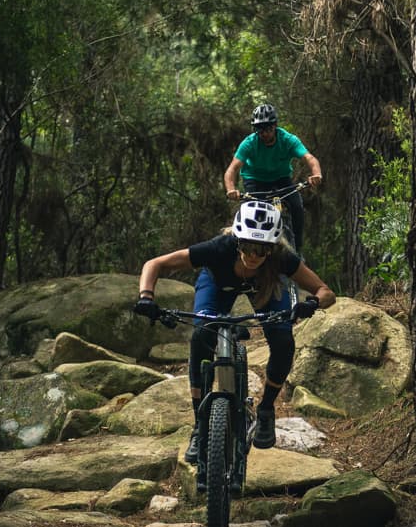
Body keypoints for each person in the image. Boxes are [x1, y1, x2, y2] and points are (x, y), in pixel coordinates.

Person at [134, 200, 335, 490]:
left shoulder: (281, 258)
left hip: (267, 288)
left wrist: (312, 303)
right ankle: (200, 427)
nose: (254, 255)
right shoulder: (218, 249)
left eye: (262, 249)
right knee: (202, 335)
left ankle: (265, 409)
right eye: (247, 246)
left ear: (272, 248)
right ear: (236, 238)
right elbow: (155, 264)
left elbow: (326, 292)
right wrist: (146, 297)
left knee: (282, 339)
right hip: (216, 285)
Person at [224, 103, 322, 254]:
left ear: (275, 126)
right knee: (248, 211)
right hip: (254, 180)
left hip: (281, 179)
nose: (264, 133)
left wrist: (316, 174)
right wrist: (231, 189)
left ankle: (298, 250)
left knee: (296, 206)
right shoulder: (249, 143)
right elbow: (232, 169)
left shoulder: (288, 140)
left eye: (268, 128)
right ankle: (239, 248)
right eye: (259, 129)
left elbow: (310, 159)